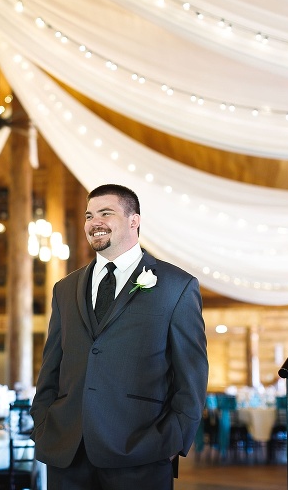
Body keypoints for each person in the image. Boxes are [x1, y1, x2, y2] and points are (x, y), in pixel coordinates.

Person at [30, 183, 208, 489]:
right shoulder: (65, 288)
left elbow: (191, 376)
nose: (93, 222)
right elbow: (52, 366)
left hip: (141, 450)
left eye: (105, 213)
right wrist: (43, 423)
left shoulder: (176, 286)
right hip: (66, 450)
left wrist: (171, 439)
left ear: (133, 220)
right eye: (89, 215)